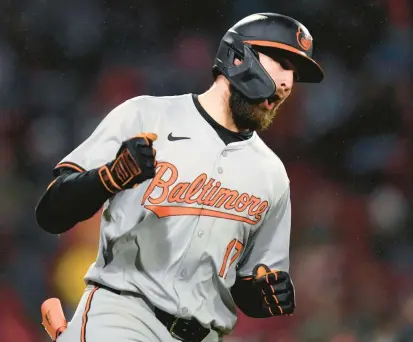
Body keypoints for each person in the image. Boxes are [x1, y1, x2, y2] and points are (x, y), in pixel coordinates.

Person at [36, 12, 324, 342]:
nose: (288, 82)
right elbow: (50, 212)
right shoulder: (147, 116)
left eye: (295, 73)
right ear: (238, 56)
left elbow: (244, 287)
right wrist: (108, 178)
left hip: (205, 334)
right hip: (123, 317)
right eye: (282, 62)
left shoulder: (272, 174)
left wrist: (265, 296)